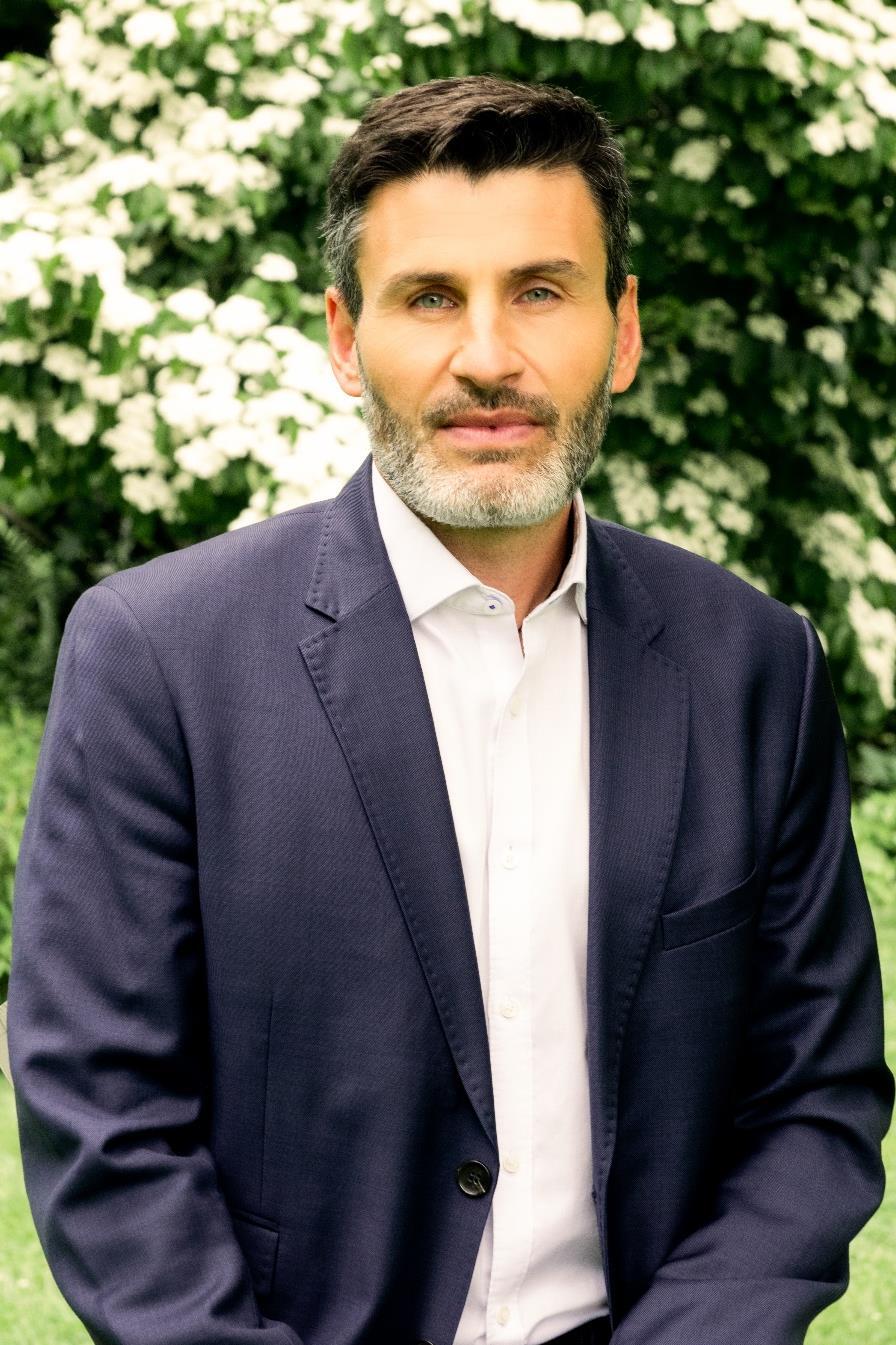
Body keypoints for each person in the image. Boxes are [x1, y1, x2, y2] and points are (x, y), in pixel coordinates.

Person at [7, 73, 893, 1345]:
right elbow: (105, 1119)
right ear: (343, 336)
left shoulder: (754, 665)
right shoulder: (157, 657)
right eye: (429, 297)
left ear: (623, 330)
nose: (487, 355)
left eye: (539, 290)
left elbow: (807, 1099)